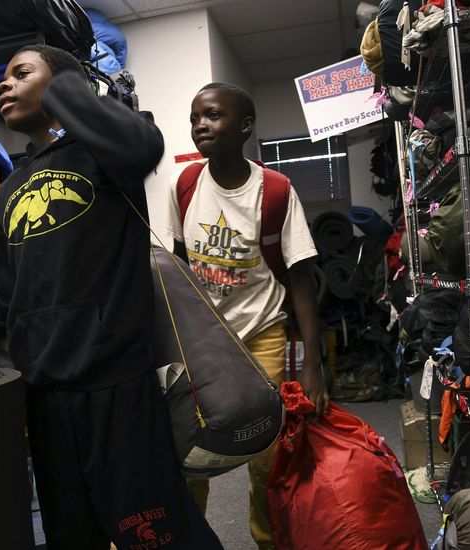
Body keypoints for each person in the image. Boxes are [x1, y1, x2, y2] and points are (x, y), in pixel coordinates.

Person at [0, 45, 222, 550]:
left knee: (158, 535)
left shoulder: (104, 153)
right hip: (45, 396)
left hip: (116, 387)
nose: (4, 85)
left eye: (21, 74)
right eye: (3, 77)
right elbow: (3, 299)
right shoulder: (11, 187)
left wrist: (69, 87)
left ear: (65, 88)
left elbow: (144, 145)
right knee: (71, 536)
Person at [166, 82, 330, 549]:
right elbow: (175, 265)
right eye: (196, 117)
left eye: (213, 116)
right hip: (201, 341)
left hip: (261, 334)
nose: (201, 125)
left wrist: (313, 366)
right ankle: (189, 539)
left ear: (245, 127)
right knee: (191, 451)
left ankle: (268, 539)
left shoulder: (275, 191)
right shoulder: (183, 185)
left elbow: (301, 277)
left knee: (266, 452)